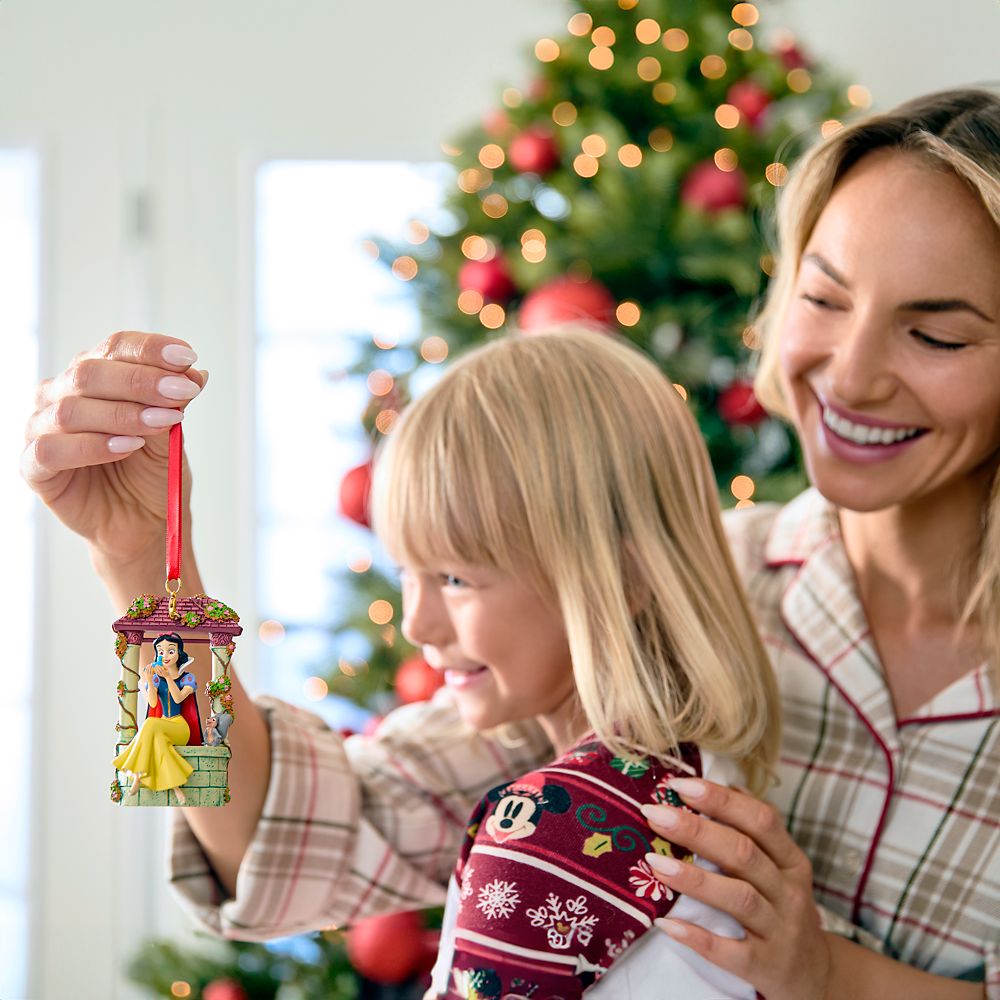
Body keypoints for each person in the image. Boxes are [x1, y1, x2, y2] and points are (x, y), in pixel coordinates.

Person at [20, 86, 998, 998]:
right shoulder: (678, 606)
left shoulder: (645, 593)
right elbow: (282, 846)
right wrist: (145, 573)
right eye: (824, 299)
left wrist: (828, 976)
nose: (851, 375)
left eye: (938, 336)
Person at [369, 329, 778, 997]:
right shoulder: (703, 778)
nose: (416, 624)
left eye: (454, 578)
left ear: (621, 578)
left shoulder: (547, 834)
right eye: (405, 574)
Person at [113, 632, 202, 803]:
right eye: (161, 652)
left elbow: (178, 698)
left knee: (150, 723)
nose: (165, 655)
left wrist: (168, 677)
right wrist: (148, 679)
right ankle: (176, 788)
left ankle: (137, 773)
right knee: (158, 742)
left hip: (179, 726)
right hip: (161, 725)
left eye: (170, 651)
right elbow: (153, 703)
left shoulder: (187, 677)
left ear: (179, 653)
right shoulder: (155, 678)